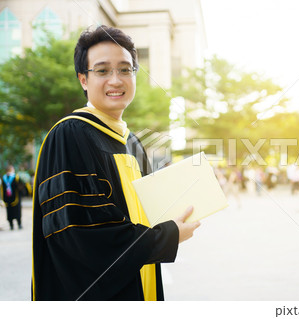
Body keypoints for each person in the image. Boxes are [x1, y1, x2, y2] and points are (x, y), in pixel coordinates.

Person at [32, 25, 200, 301]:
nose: (116, 80)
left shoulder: (132, 142)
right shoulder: (70, 134)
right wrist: (166, 237)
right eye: (102, 70)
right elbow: (79, 235)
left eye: (125, 70)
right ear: (83, 79)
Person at [1, 165, 31, 230]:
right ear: (12, 170)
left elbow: (2, 189)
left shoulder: (4, 178)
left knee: (9, 212)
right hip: (16, 198)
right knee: (17, 212)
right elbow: (22, 186)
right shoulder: (16, 177)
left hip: (7, 199)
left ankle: (11, 226)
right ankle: (19, 224)